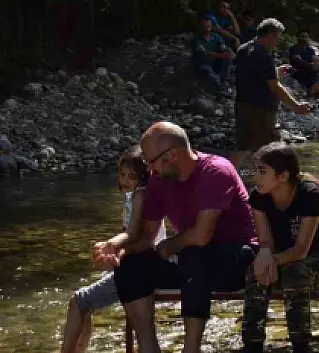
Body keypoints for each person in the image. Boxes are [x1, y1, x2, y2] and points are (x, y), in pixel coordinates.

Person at [106, 122, 258, 353]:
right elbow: (147, 238)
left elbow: (201, 235)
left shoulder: (216, 171)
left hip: (237, 260)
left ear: (172, 155)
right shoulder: (159, 180)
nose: (148, 168)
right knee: (130, 265)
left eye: (150, 160)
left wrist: (169, 245)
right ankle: (148, 347)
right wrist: (117, 251)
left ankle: (190, 348)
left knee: (193, 253)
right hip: (191, 263)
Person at [60, 147, 167, 353]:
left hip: (138, 267)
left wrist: (113, 245)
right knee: (82, 302)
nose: (125, 180)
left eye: (132, 176)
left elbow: (135, 234)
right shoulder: (138, 195)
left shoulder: (140, 197)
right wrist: (114, 250)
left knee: (78, 301)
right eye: (122, 174)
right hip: (138, 261)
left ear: (144, 177)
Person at [242, 143, 319, 353]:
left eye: (262, 172)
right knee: (253, 272)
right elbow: (265, 241)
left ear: (283, 176)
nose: (256, 178)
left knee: (295, 272)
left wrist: (272, 261)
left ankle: (301, 344)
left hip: (318, 264)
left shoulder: (309, 194)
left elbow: (301, 250)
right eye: (255, 171)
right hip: (280, 262)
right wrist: (264, 257)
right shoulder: (259, 196)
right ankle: (252, 344)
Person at [235, 18, 311, 153]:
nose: (277, 42)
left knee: (243, 147)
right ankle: (271, 174)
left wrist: (276, 71)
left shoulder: (243, 49)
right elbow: (275, 87)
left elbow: (252, 75)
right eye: (277, 38)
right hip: (261, 110)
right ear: (271, 35)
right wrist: (296, 106)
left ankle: (228, 173)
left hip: (242, 106)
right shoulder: (265, 55)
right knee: (270, 151)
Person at [191, 17, 234, 91]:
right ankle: (221, 86)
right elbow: (205, 53)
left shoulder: (216, 37)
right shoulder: (196, 39)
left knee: (228, 50)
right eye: (204, 27)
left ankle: (224, 80)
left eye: (208, 26)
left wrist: (229, 53)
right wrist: (222, 56)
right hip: (203, 64)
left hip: (215, 63)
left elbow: (223, 47)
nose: (207, 29)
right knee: (209, 72)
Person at [288, 32, 319, 100]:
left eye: (306, 37)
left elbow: (314, 60)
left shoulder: (310, 50)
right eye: (302, 36)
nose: (304, 39)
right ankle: (317, 92)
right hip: (298, 69)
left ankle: (315, 90)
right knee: (309, 74)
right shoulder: (294, 49)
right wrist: (309, 65)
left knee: (318, 73)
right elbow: (296, 60)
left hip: (310, 70)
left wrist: (315, 65)